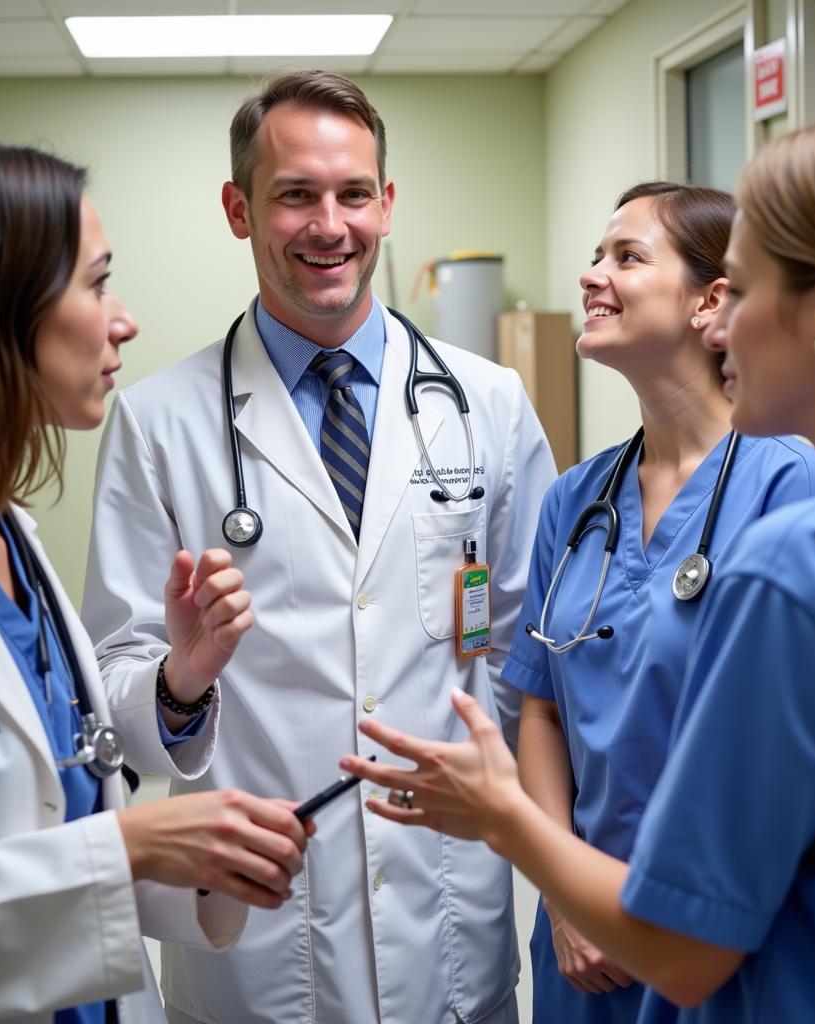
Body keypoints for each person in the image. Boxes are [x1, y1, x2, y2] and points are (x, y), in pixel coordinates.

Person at [341, 106, 815, 1022]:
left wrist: (508, 821)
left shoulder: (802, 553)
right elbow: (541, 695)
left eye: (747, 284)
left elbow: (690, 948)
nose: (732, 323)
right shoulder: (585, 499)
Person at [82, 70, 556, 1024]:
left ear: (386, 204)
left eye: (352, 195)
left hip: (449, 917)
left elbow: (532, 657)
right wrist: (180, 680)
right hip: (260, 942)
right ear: (239, 209)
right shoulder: (158, 424)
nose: (328, 225)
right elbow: (116, 686)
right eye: (295, 194)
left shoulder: (489, 403)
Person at [0, 135, 311, 1024]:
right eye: (94, 285)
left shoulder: (10, 539)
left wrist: (180, 688)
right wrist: (132, 843)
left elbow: (60, 806)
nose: (122, 320)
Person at [498, 181, 815, 1023]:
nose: (591, 275)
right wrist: (563, 892)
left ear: (708, 302)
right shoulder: (575, 501)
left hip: (723, 931)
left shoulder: (788, 481)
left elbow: (797, 740)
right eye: (595, 256)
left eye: (627, 257)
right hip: (584, 949)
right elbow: (539, 709)